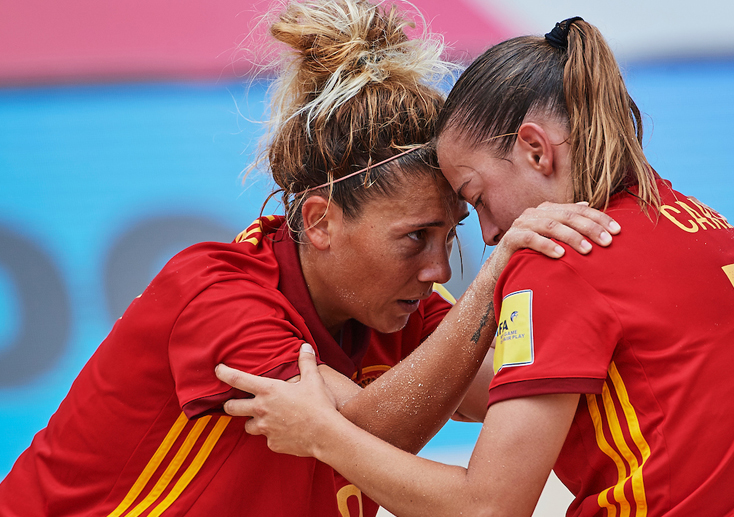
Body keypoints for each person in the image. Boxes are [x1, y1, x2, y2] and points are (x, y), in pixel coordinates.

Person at [0, 4, 619, 517]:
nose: (437, 269)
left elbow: (524, 390)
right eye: (415, 237)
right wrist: (496, 279)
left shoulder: (412, 315)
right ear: (321, 221)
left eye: (450, 234)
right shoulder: (218, 295)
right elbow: (368, 437)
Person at [216, 15, 734, 517]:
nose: (494, 234)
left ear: (535, 149)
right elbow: (475, 388)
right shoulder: (714, 230)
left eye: (474, 202)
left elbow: (488, 507)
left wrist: (320, 434)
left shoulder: (560, 258)